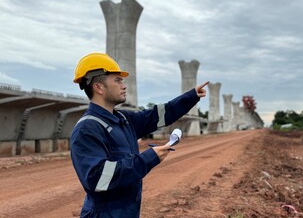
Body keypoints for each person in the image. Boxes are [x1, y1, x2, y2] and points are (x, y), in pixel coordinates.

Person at [70, 52, 208, 218]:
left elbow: (157, 115)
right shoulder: (87, 129)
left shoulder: (123, 119)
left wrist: (190, 97)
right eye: (117, 80)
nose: (124, 85)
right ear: (98, 87)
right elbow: (98, 179)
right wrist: (148, 158)